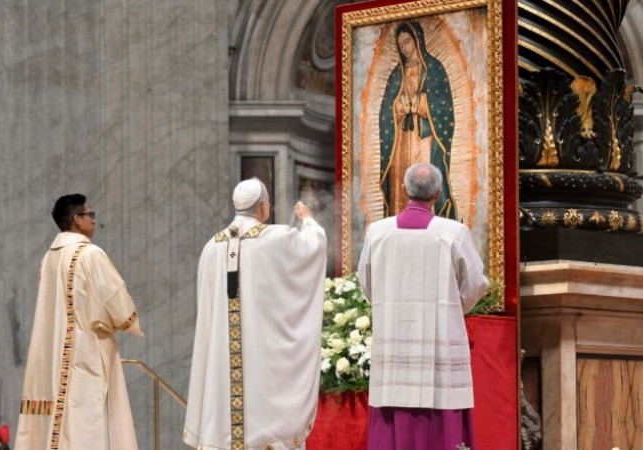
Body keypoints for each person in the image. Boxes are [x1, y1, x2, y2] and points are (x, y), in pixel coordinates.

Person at [184, 178, 327, 450]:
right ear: (263, 207)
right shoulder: (275, 238)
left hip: (223, 357)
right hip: (262, 352)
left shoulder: (211, 247)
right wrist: (308, 219)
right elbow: (313, 246)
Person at [358, 163, 489, 450]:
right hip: (439, 340)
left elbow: (367, 284)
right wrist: (454, 309)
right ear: (438, 194)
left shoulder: (377, 232)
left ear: (404, 190)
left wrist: (388, 306)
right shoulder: (454, 233)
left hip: (393, 342)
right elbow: (476, 284)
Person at [15, 194, 143, 450]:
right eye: (90, 215)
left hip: (52, 356)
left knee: (60, 421)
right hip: (86, 353)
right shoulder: (90, 254)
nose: (94, 220)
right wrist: (124, 323)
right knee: (87, 422)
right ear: (77, 219)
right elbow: (116, 303)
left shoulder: (48, 259)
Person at [379, 21, 457, 219]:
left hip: (424, 139)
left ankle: (427, 222)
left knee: (423, 180)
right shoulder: (397, 74)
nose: (404, 47)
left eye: (407, 41)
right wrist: (401, 106)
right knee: (400, 184)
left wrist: (421, 103)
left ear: (417, 40)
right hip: (401, 142)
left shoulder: (434, 69)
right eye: (401, 44)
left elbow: (444, 107)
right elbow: (386, 111)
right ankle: (401, 222)